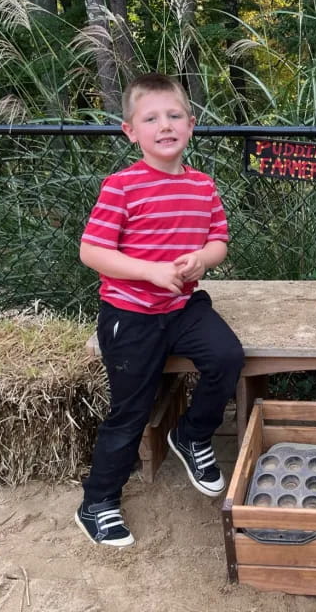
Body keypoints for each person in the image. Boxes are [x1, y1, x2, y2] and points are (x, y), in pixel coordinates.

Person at [75, 72, 244, 547]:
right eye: (151, 118)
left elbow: (219, 242)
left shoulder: (202, 186)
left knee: (227, 358)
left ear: (191, 124)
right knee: (131, 410)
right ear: (131, 131)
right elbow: (92, 251)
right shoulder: (121, 186)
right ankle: (98, 501)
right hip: (130, 314)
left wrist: (201, 260)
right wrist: (149, 271)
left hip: (183, 306)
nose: (165, 125)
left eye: (174, 116)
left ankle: (192, 435)